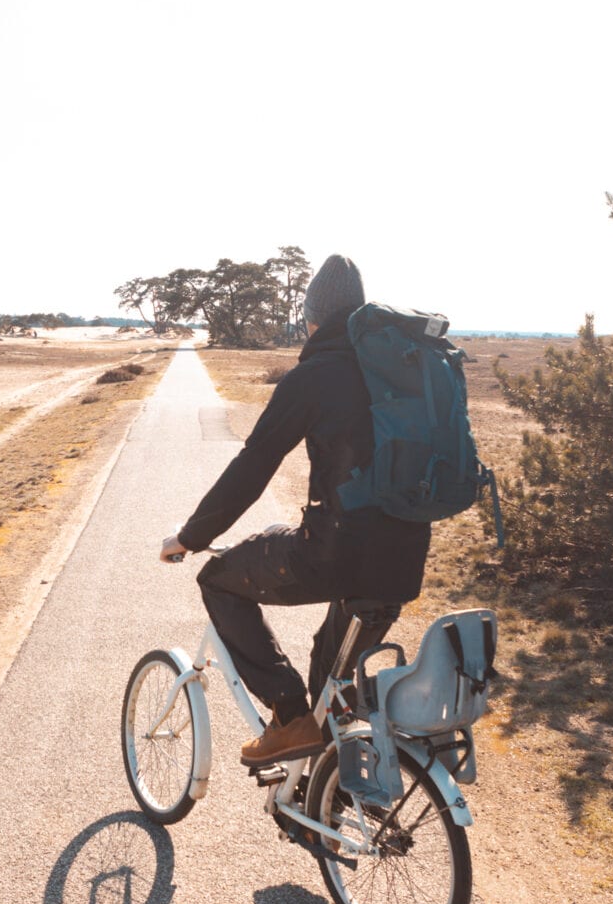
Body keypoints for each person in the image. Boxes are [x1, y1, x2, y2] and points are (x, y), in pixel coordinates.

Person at [159, 254, 431, 766]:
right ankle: (321, 807)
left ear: (311, 317)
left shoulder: (315, 375)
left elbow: (254, 465)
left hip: (332, 556)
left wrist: (191, 538)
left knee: (217, 579)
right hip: (403, 561)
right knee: (332, 694)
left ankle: (287, 718)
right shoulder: (403, 374)